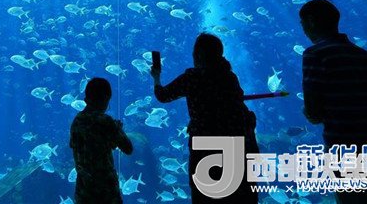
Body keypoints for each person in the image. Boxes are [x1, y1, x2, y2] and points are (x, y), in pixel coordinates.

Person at [300, 0, 367, 203]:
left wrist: (309, 112)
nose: (304, 30)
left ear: (311, 21)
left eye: (303, 24)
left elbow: (314, 111)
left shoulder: (315, 54)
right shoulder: (364, 55)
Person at [150, 33, 258, 204]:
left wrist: (156, 77)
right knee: (236, 196)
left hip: (205, 146)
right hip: (234, 143)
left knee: (205, 194)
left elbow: (163, 95)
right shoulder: (229, 77)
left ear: (199, 54)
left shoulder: (192, 77)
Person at [69, 77, 133, 204]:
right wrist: (118, 129)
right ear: (105, 98)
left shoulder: (76, 121)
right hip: (105, 190)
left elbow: (89, 147)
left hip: (84, 190)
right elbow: (128, 148)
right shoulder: (105, 121)